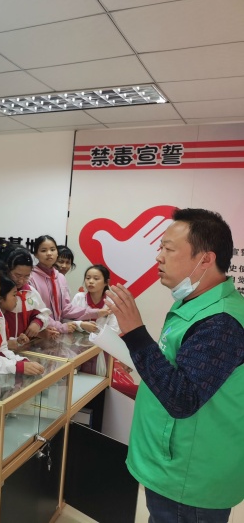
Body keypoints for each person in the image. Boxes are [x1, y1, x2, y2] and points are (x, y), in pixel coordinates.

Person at [106, 208, 244, 523]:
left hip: (190, 479)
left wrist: (136, 334)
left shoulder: (220, 321)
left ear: (205, 259)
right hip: (176, 468)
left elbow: (183, 398)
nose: (158, 257)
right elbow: (178, 369)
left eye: (168, 249)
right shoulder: (195, 304)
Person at [29, 235, 108, 334]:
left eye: (52, 249)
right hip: (38, 333)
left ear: (57, 253)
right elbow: (36, 311)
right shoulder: (30, 277)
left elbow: (66, 309)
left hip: (56, 334)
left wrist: (96, 312)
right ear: (36, 254)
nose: (49, 253)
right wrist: (60, 327)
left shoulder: (60, 278)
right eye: (43, 250)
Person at [4, 248, 54, 341]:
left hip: (24, 345)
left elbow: (44, 313)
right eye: (17, 275)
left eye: (26, 276)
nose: (21, 280)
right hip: (5, 345)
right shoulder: (1, 292)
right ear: (8, 270)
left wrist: (37, 323)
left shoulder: (31, 292)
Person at [70, 264, 120, 334]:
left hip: (102, 340)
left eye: (96, 279)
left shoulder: (111, 303)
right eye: (88, 278)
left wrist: (96, 329)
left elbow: (114, 330)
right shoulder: (79, 297)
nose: (90, 281)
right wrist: (81, 324)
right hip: (76, 338)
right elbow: (67, 321)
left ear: (106, 282)